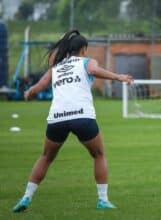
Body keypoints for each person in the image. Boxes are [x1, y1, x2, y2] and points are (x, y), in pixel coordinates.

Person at [12, 30, 133, 212]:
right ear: (84, 49)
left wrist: (29, 92)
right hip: (82, 116)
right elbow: (92, 70)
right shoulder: (87, 61)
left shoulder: (57, 67)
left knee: (46, 157)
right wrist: (118, 77)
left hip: (57, 118)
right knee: (98, 155)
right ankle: (103, 200)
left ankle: (26, 198)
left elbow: (40, 86)